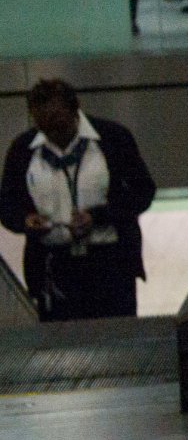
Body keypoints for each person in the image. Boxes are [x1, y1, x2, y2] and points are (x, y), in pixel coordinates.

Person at [0, 79, 155, 321]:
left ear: (75, 112)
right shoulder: (23, 150)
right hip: (54, 266)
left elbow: (143, 192)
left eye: (59, 123)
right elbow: (7, 206)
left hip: (110, 263)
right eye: (44, 126)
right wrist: (26, 221)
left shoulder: (113, 138)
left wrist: (98, 216)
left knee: (117, 339)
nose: (53, 134)